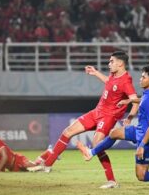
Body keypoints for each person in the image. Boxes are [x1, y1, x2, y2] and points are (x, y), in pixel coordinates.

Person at [29, 51, 139, 189]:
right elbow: (110, 83)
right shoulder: (113, 75)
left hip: (108, 116)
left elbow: (135, 100)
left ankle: (112, 181)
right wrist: (95, 72)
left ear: (120, 63)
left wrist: (130, 116)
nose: (109, 63)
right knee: (67, 131)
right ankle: (47, 164)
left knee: (96, 144)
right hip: (97, 111)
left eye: (111, 61)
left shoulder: (126, 81)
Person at [76, 65, 149, 190]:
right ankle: (91, 152)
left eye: (143, 77)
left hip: (145, 137)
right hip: (139, 130)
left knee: (142, 175)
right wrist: (130, 101)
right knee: (114, 133)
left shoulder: (148, 98)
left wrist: (142, 145)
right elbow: (146, 100)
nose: (140, 79)